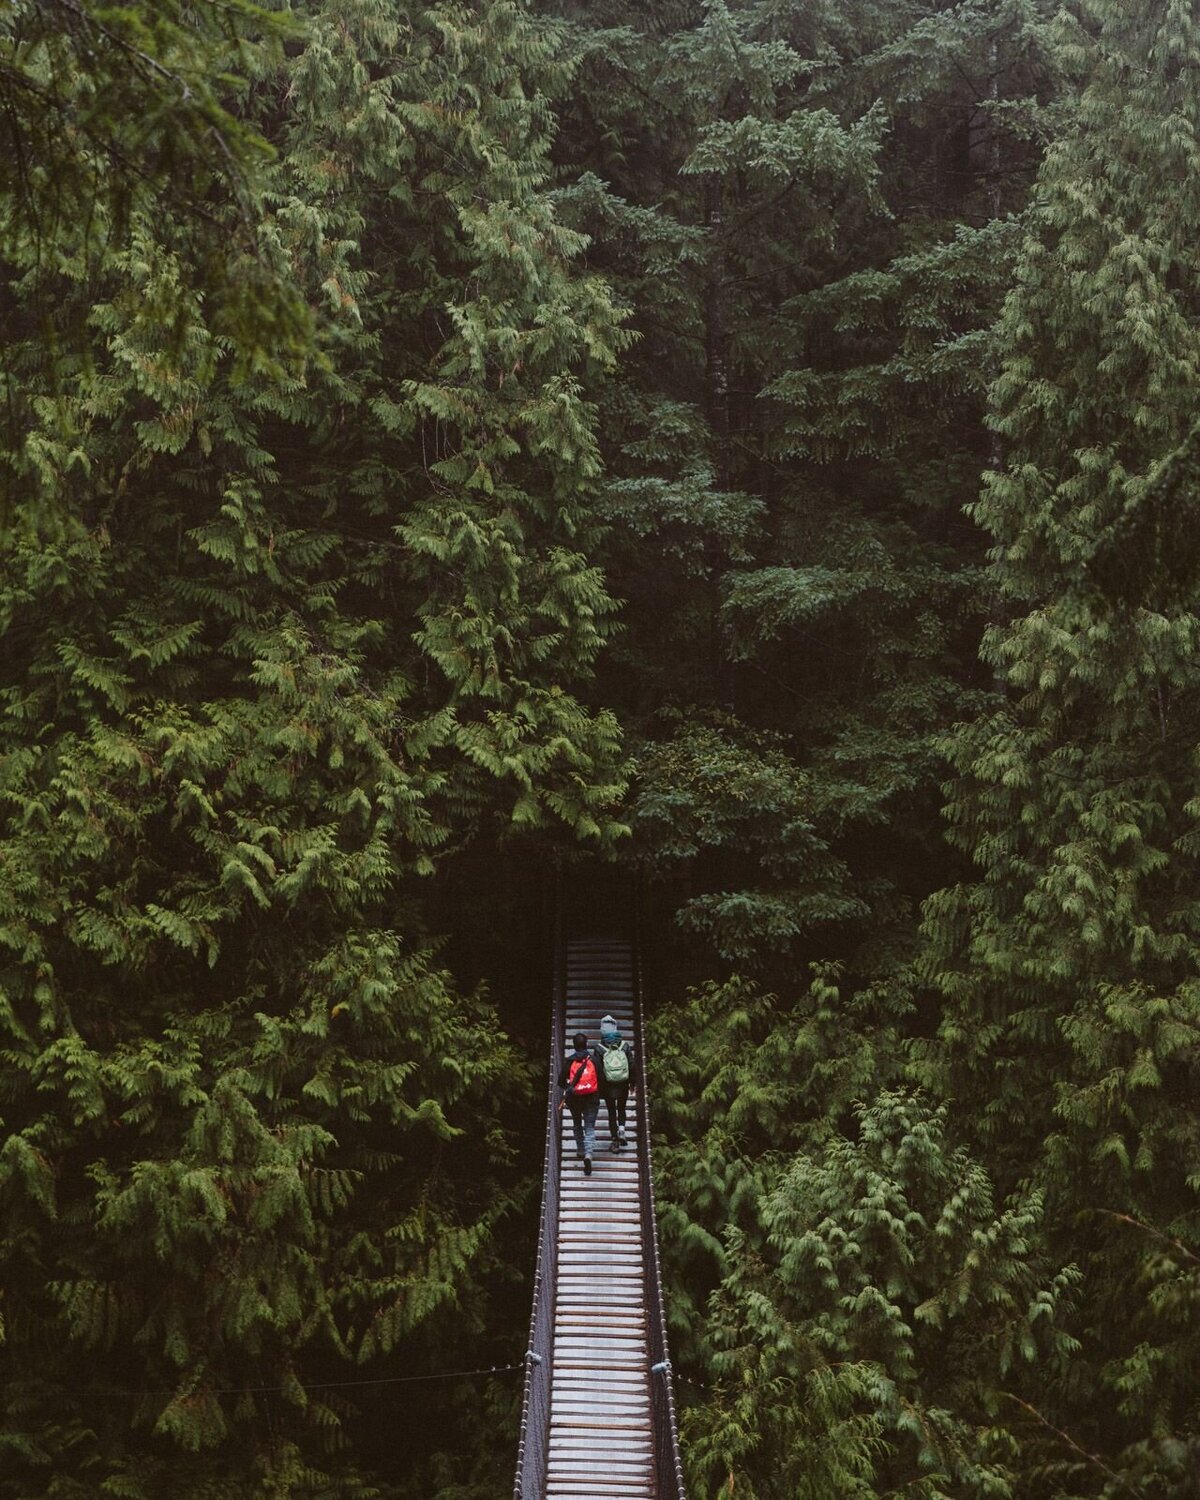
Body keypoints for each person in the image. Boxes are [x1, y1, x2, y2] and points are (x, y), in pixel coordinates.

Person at [558, 1031, 600, 1175]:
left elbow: (560, 1081)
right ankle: (588, 1155)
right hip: (592, 1098)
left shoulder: (569, 1061)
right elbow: (601, 1078)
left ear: (574, 1045)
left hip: (575, 1099)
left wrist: (570, 1088)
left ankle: (580, 1150)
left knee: (577, 1123)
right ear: (586, 1044)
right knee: (589, 1127)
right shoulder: (593, 1060)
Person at [597, 1014, 637, 1152]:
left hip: (608, 1085)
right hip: (623, 1083)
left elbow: (598, 1070)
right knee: (621, 1107)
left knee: (611, 1111)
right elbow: (631, 1066)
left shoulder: (599, 1048)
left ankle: (614, 1140)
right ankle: (622, 1130)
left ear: (602, 1030)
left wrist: (600, 1087)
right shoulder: (625, 1046)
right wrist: (633, 1083)